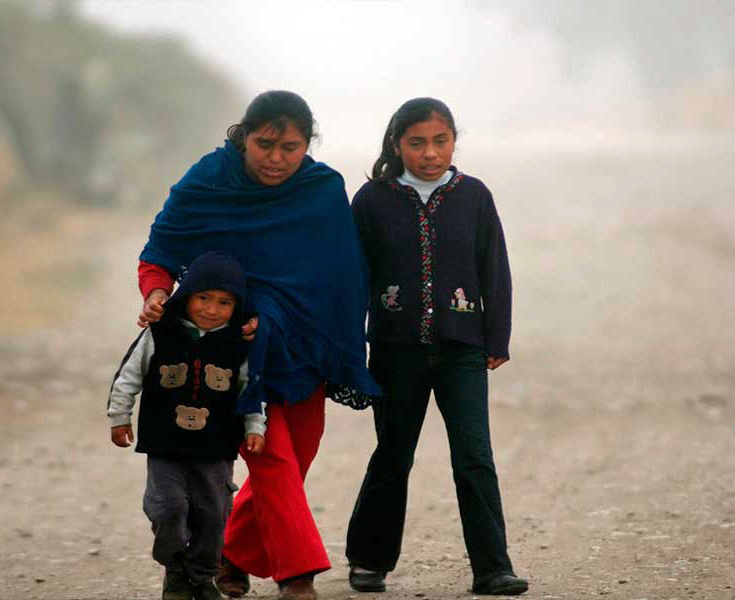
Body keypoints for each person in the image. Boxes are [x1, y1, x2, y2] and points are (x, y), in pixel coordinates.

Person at [136, 90, 380, 600]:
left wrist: (327, 333)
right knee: (272, 455)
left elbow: (343, 276)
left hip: (304, 345)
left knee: (299, 453)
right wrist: (157, 291)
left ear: (307, 144)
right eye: (265, 144)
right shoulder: (208, 181)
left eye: (290, 147)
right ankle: (299, 574)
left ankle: (230, 549)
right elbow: (160, 249)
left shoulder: (322, 189)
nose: (276, 158)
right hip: (225, 347)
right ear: (243, 136)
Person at [344, 98, 529, 596]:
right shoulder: (373, 200)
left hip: (463, 348)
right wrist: (348, 346)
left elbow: (495, 268)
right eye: (417, 142)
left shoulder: (474, 196)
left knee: (474, 455)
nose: (430, 153)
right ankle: (369, 560)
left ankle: (493, 567)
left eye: (440, 141)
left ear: (454, 141)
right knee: (393, 454)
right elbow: (353, 278)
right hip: (394, 349)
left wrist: (498, 336)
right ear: (397, 144)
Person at [108, 251, 266, 600]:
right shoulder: (160, 332)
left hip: (216, 449)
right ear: (187, 295)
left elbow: (251, 390)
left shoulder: (239, 344)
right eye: (203, 298)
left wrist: (255, 427)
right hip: (165, 443)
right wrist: (119, 416)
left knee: (213, 516)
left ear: (237, 306)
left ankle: (200, 576)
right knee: (169, 509)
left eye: (224, 302)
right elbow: (128, 376)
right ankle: (175, 567)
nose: (211, 309)